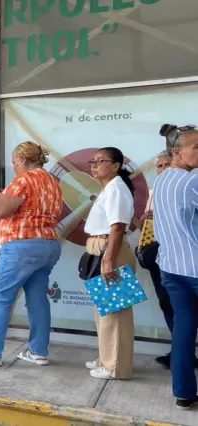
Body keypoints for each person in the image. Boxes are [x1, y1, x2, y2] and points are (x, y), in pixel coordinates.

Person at [0, 142, 62, 367]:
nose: (13, 166)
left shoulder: (24, 179)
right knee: (38, 298)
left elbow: (0, 211)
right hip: (48, 243)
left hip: (21, 245)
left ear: (22, 159)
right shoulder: (52, 182)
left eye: (14, 161)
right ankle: (38, 351)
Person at [153, 124, 198, 410]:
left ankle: (183, 392)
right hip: (194, 267)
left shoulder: (162, 179)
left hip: (170, 266)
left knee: (183, 329)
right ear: (176, 152)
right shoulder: (192, 181)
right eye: (196, 147)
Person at [82, 147, 136, 381]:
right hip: (101, 250)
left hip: (110, 252)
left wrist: (108, 260)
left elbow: (117, 227)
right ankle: (106, 358)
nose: (94, 165)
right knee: (104, 311)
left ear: (115, 166)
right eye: (93, 161)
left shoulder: (116, 188)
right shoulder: (108, 189)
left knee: (115, 313)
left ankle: (117, 367)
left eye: (101, 161)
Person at [138, 152, 195, 369]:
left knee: (184, 312)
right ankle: (180, 354)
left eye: (165, 164)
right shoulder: (156, 190)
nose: (162, 169)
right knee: (168, 305)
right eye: (159, 166)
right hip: (160, 257)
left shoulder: (185, 186)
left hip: (185, 261)